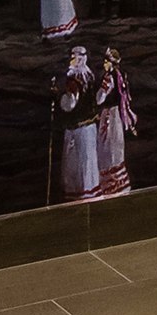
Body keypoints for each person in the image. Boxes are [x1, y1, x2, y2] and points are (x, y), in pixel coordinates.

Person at [53, 47, 103, 203]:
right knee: (88, 161)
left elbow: (69, 104)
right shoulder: (89, 75)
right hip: (90, 125)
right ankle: (91, 191)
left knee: (76, 162)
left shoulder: (73, 80)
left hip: (77, 127)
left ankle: (79, 193)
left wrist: (58, 96)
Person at [94, 46, 136, 198]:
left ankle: (110, 186)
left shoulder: (109, 78)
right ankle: (120, 183)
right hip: (117, 115)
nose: (104, 64)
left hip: (109, 116)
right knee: (115, 147)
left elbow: (99, 99)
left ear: (111, 63)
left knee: (107, 148)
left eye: (106, 62)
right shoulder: (120, 75)